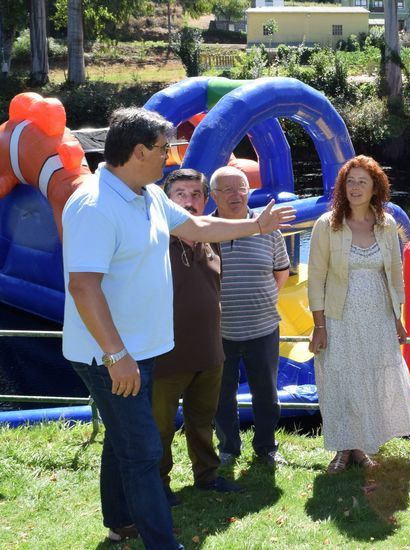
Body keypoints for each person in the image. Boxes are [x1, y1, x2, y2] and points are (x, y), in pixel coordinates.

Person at [61, 107, 294, 547]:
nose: (170, 158)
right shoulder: (95, 205)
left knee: (122, 441)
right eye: (164, 148)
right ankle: (161, 541)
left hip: (140, 350)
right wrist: (117, 355)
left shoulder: (146, 194)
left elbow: (198, 225)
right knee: (144, 450)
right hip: (111, 355)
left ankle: (120, 524)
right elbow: (84, 287)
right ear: (139, 151)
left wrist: (257, 225)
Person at [307, 155, 410, 473]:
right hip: (339, 316)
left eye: (362, 182)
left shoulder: (385, 226)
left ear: (375, 188)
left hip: (378, 317)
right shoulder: (326, 225)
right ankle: (343, 449)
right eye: (350, 181)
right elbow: (315, 278)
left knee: (370, 377)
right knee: (341, 380)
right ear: (343, 186)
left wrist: (398, 319)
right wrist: (319, 324)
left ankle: (362, 446)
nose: (355, 187)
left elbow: (394, 275)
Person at [151, 169, 240, 510]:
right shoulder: (155, 240)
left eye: (196, 194)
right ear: (167, 200)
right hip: (166, 355)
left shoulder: (210, 237)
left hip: (209, 351)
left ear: (205, 200)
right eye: (180, 194)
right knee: (159, 428)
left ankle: (207, 476)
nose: (189, 201)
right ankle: (158, 484)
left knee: (202, 421)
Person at [211, 166, 291, 467]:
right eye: (227, 190)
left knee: (267, 395)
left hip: (263, 328)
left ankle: (267, 447)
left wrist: (260, 298)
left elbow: (281, 273)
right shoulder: (204, 230)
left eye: (241, 188)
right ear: (214, 196)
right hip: (219, 333)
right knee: (221, 396)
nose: (236, 195)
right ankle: (229, 448)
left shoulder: (269, 230)